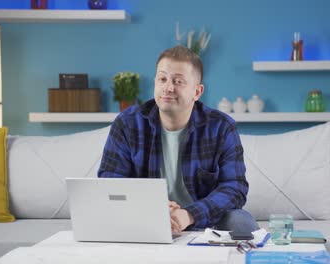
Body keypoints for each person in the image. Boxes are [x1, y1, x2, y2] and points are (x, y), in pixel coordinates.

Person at [98, 45, 258, 234]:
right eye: (162, 79)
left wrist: (188, 214)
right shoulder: (128, 123)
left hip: (205, 220)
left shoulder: (222, 127)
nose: (168, 87)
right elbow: (110, 179)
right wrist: (153, 206)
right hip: (144, 214)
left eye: (178, 81)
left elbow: (234, 188)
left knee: (241, 224)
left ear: (197, 92)